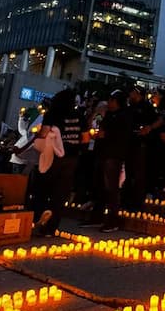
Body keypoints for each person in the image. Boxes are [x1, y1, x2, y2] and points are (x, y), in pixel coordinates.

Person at [31, 88, 86, 236]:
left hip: (53, 157)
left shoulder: (52, 114)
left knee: (43, 188)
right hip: (72, 158)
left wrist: (36, 136)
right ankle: (51, 228)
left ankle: (40, 216)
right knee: (60, 194)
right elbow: (85, 138)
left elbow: (44, 133)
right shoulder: (80, 116)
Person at [92, 90, 131, 229]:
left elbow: (123, 136)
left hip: (114, 155)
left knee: (111, 187)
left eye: (112, 100)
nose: (109, 103)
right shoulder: (109, 115)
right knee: (100, 185)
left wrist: (106, 134)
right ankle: (97, 216)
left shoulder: (123, 116)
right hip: (103, 153)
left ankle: (113, 220)